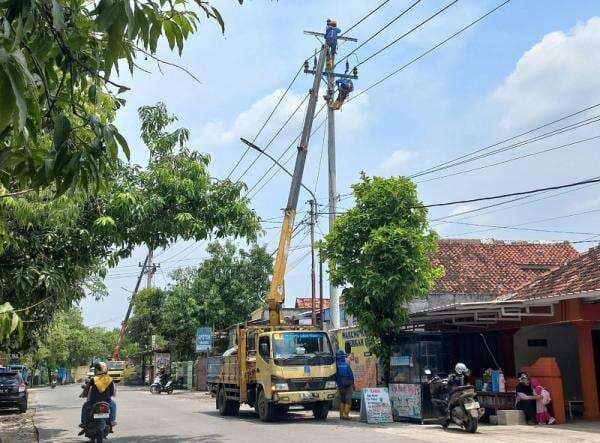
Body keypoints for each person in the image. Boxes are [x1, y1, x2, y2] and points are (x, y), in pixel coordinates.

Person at [79, 362, 117, 433]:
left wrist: (83, 394)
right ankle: (112, 421)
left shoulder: (94, 379)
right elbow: (112, 392)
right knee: (113, 405)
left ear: (96, 370)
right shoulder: (109, 379)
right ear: (106, 369)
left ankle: (84, 423)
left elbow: (87, 388)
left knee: (85, 406)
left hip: (93, 402)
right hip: (107, 401)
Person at [335, 350, 354, 420]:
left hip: (340, 385)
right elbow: (351, 375)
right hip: (348, 384)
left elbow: (335, 376)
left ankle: (341, 415)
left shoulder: (335, 366)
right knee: (348, 399)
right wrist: (353, 384)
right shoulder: (346, 364)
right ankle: (346, 415)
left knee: (342, 400)